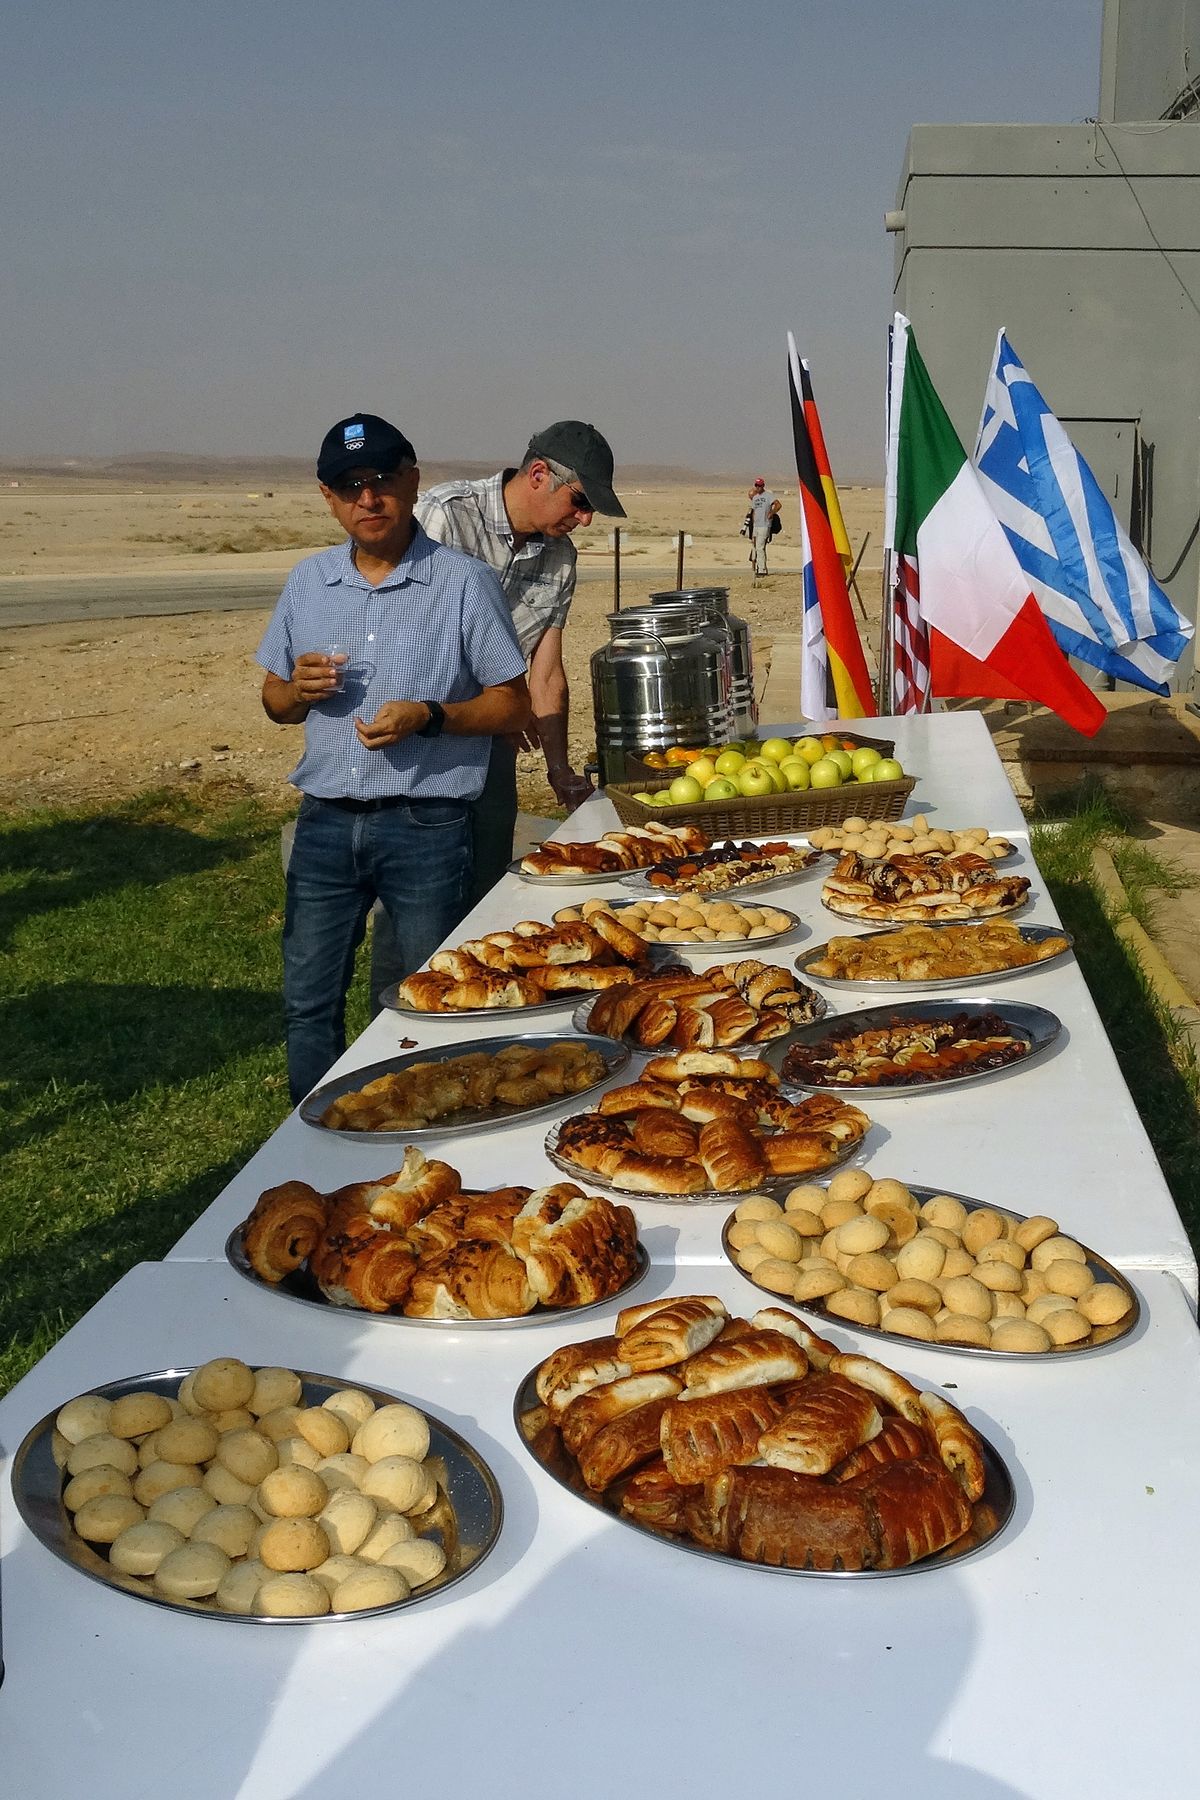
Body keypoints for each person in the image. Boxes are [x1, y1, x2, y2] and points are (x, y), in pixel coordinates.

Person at [257, 412, 529, 1105]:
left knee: (432, 1001)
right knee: (308, 1002)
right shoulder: (308, 583)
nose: (367, 498)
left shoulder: (464, 584)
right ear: (327, 498)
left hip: (428, 828)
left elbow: (511, 705)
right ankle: (311, 1142)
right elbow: (274, 701)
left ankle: (423, 1130)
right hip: (324, 823)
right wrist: (297, 690)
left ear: (411, 481)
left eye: (381, 480)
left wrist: (433, 717)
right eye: (348, 486)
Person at [367, 420, 625, 1008]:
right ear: (539, 475)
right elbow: (413, 643)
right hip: (421, 751)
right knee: (416, 910)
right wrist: (497, 705)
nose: (583, 519)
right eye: (580, 502)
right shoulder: (444, 516)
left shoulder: (559, 557)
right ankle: (392, 1036)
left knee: (485, 901)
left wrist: (559, 770)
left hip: (491, 752)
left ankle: (469, 1025)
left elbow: (548, 671)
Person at [745, 476, 781, 578]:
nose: (758, 488)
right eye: (756, 486)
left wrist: (772, 513)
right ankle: (758, 567)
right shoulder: (755, 498)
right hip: (756, 525)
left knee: (760, 547)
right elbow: (753, 511)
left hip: (764, 525)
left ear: (763, 486)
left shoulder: (769, 496)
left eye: (760, 486)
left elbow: (778, 505)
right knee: (755, 547)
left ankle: (762, 569)